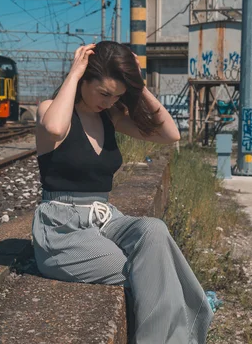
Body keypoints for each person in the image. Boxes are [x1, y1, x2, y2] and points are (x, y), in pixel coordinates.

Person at [32, 41, 213, 344]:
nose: (109, 101)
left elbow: (170, 134)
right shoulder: (49, 110)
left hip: (106, 219)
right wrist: (74, 72)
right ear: (83, 78)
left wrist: (138, 87)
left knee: (154, 230)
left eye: (116, 95)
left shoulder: (110, 116)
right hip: (61, 229)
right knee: (144, 270)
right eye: (104, 93)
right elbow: (53, 129)